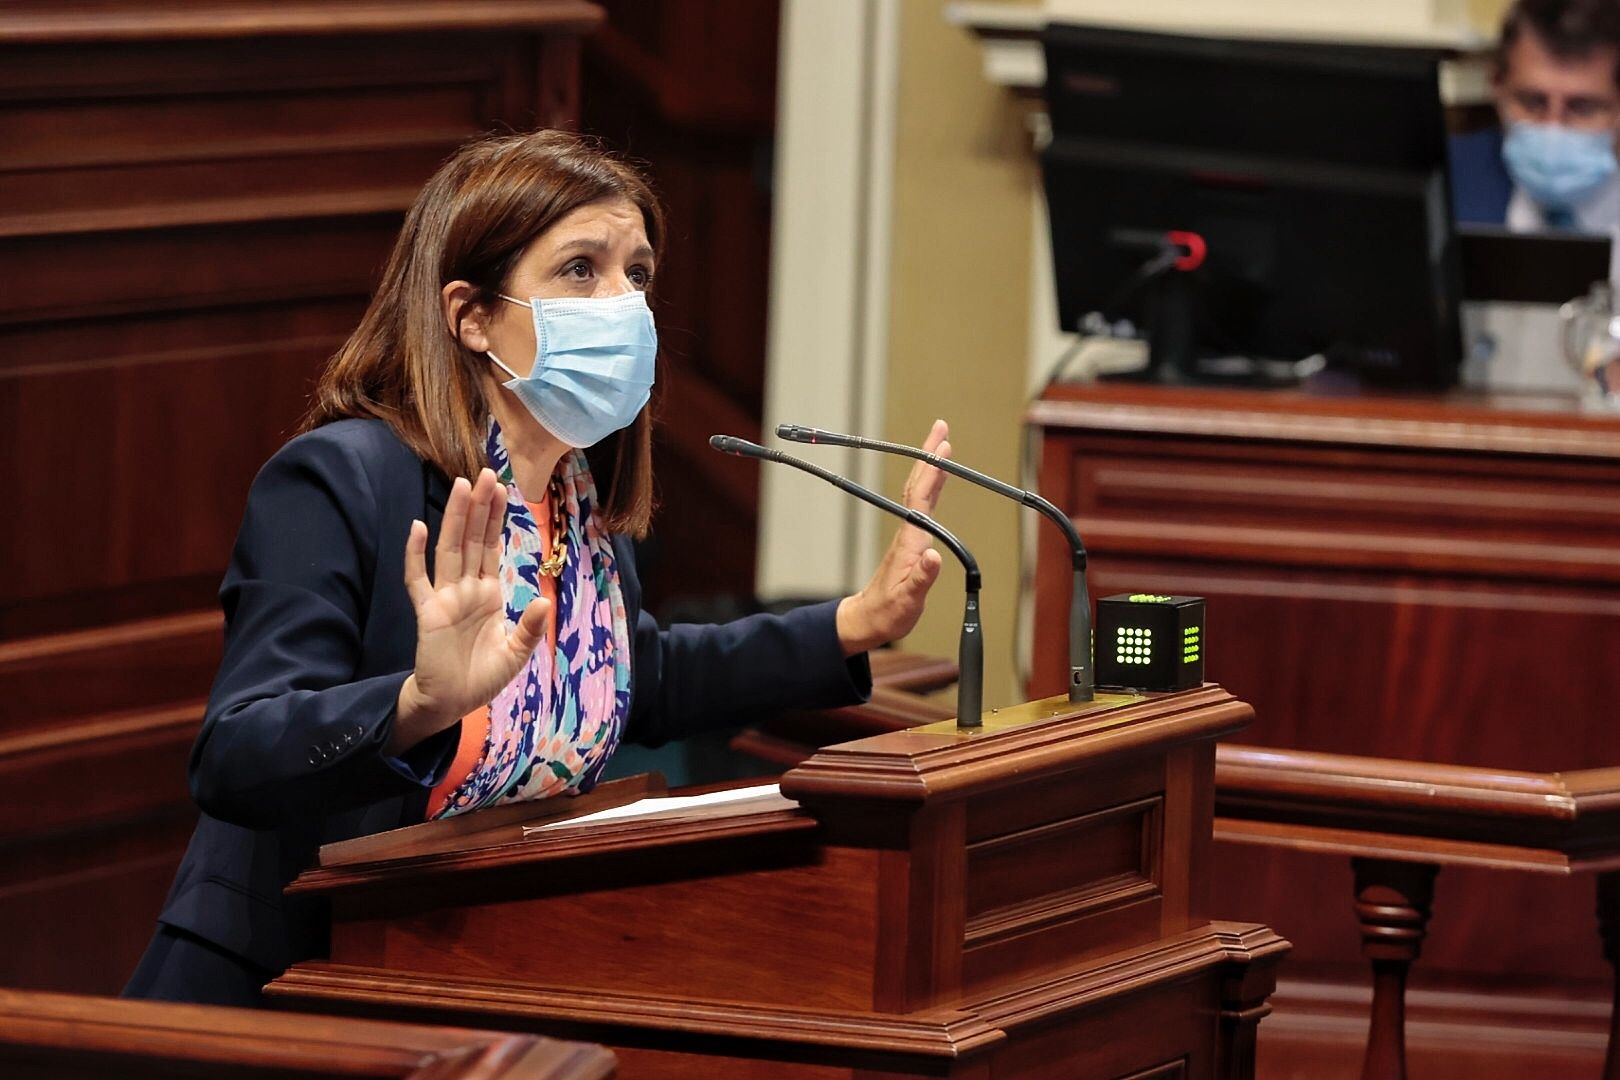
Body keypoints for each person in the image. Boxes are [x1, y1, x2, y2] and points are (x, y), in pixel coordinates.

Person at [123, 129, 951, 1007]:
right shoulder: (344, 479)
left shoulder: (576, 495)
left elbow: (639, 673)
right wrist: (414, 708)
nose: (625, 302)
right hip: (285, 987)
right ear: (471, 315)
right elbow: (235, 754)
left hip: (484, 980)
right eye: (581, 269)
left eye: (637, 273)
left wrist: (856, 621)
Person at [1452, 0, 1620, 232]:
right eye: (1532, 102)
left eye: (1582, 107)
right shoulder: (1444, 183)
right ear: (1496, 86)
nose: (1553, 128)